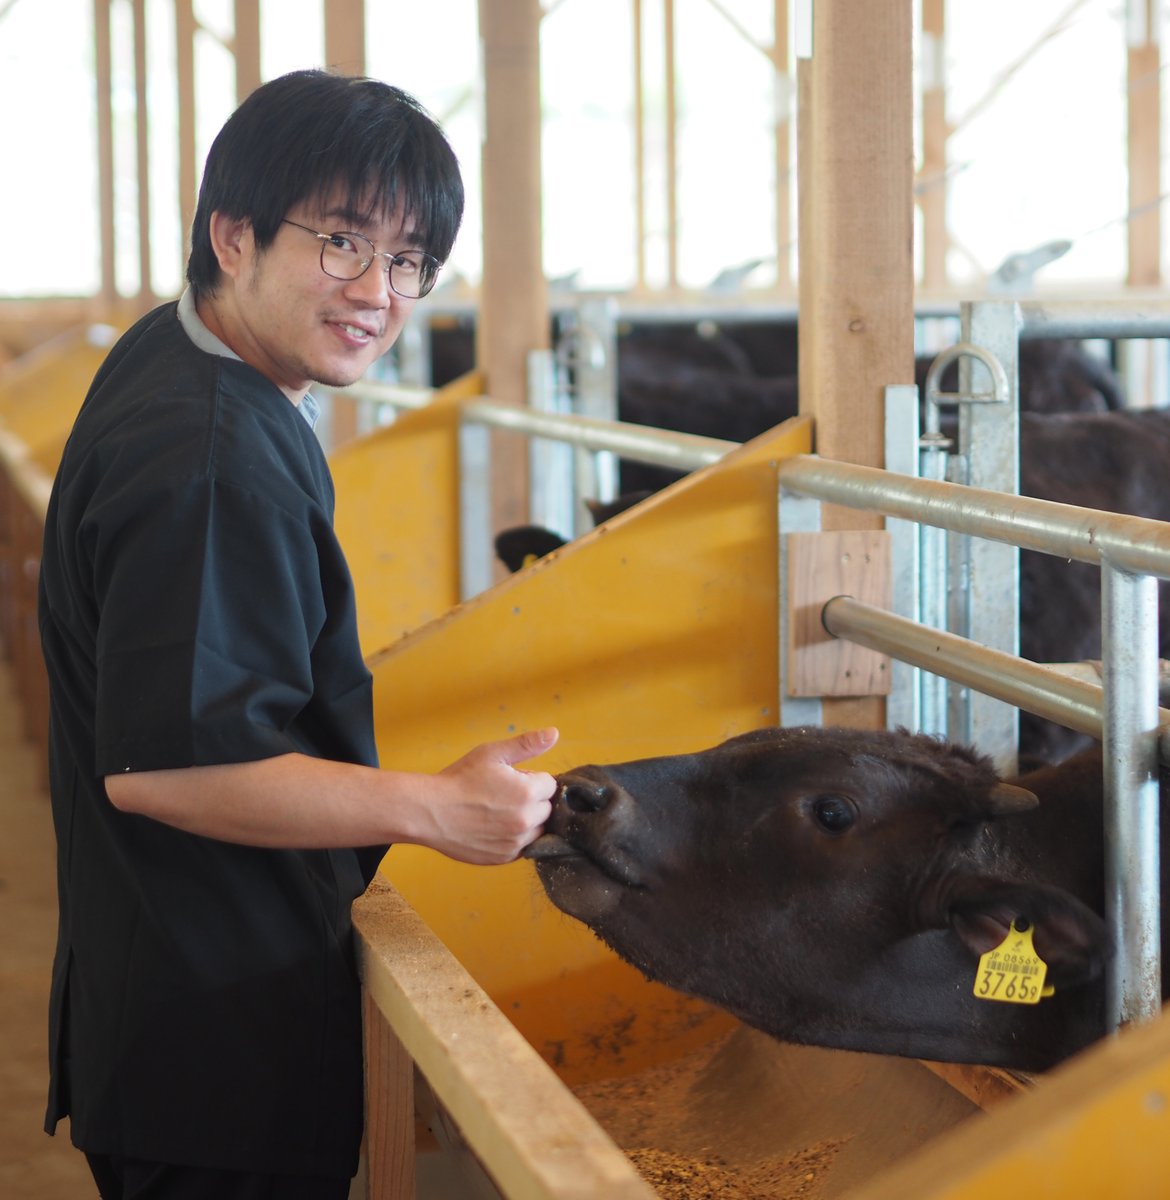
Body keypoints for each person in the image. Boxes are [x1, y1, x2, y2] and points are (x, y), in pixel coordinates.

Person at [38, 68, 559, 1200]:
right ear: (234, 236)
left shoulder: (178, 358)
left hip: (170, 1004)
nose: (379, 289)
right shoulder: (213, 451)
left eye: (409, 258)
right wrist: (439, 807)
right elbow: (170, 769)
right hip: (217, 1045)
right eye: (341, 241)